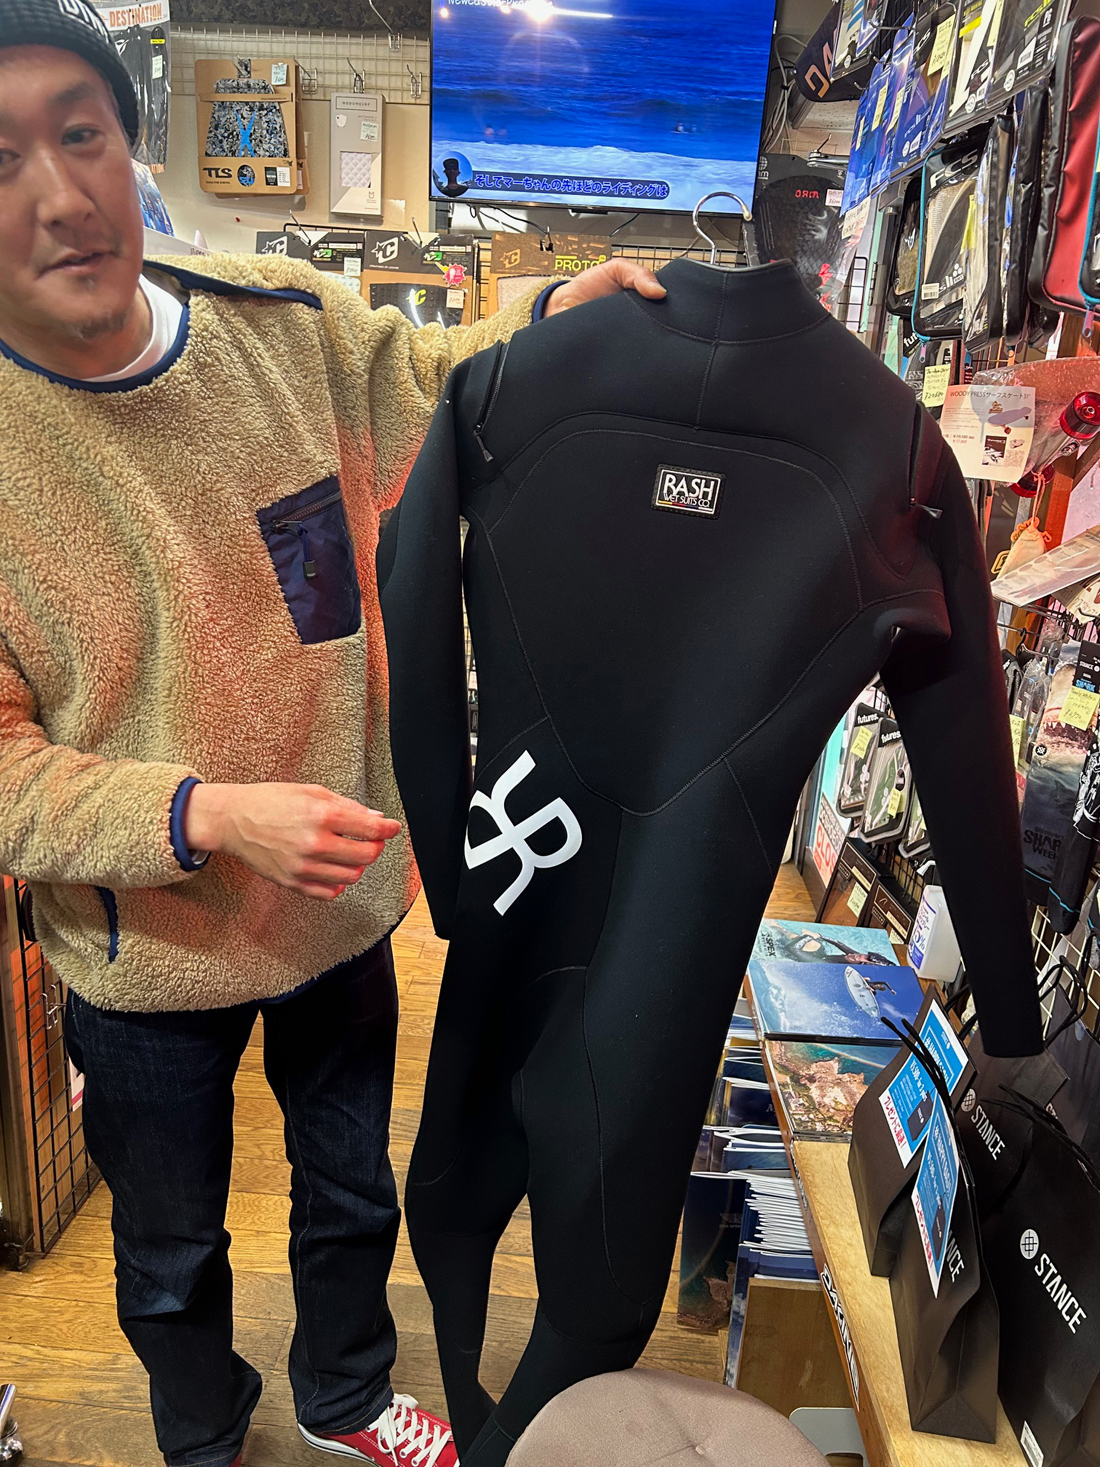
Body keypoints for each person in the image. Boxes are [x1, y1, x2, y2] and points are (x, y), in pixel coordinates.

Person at [0, 4, 666, 1466]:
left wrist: (552, 321)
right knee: (167, 1246)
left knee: (352, 1190)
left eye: (81, 134)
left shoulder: (280, 325)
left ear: (131, 149)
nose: (57, 194)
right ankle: (200, 1433)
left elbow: (434, 375)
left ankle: (348, 1392)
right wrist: (210, 814)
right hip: (140, 950)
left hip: (341, 902)